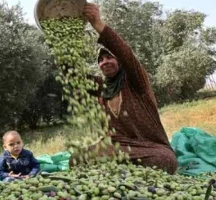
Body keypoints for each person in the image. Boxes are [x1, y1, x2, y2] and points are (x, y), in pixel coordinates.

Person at [68, 3, 178, 174]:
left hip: (149, 147)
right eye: (101, 60)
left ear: (119, 61)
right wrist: (64, 43)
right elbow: (75, 77)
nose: (105, 62)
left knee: (164, 161)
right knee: (76, 159)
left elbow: (126, 53)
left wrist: (98, 24)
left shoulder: (135, 81)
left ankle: (119, 172)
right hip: (115, 147)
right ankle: (124, 172)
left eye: (109, 57)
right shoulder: (101, 87)